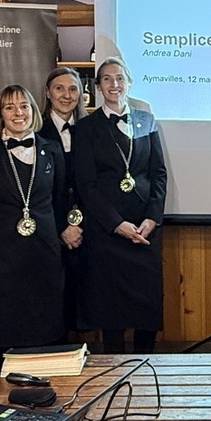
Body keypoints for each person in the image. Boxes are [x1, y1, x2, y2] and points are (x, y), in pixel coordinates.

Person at [0, 85, 66, 367]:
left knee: (46, 324)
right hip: (2, 257)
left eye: (23, 106)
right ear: (1, 115)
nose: (18, 113)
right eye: (9, 107)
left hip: (44, 253)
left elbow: (59, 200)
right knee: (6, 324)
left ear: (33, 111)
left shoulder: (51, 150)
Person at [76, 57, 167, 353]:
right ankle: (114, 366)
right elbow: (86, 184)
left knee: (146, 305)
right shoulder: (86, 128)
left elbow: (158, 174)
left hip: (145, 228)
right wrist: (116, 224)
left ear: (129, 83)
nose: (114, 84)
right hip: (107, 230)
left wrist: (152, 218)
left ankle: (145, 364)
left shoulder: (146, 120)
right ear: (98, 86)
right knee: (110, 307)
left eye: (119, 78)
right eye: (106, 79)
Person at [38, 67, 86, 338]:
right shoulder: (36, 130)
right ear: (48, 93)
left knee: (79, 300)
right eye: (59, 88)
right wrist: (61, 227)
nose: (66, 95)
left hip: (85, 230)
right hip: (48, 229)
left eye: (73, 89)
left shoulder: (89, 130)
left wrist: (79, 225)